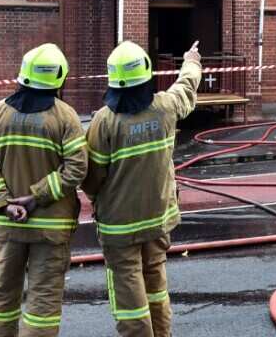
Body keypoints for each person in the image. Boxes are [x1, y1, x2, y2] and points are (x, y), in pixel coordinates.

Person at [83, 40, 200, 337]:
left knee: (129, 299)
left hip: (119, 227)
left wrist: (99, 200)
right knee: (156, 288)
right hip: (158, 221)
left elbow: (92, 176)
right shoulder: (165, 108)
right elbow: (186, 86)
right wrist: (191, 59)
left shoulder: (104, 121)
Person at [0, 43, 86, 337]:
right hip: (52, 228)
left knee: (1, 299)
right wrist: (37, 197)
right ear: (58, 78)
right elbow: (77, 169)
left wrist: (4, 203)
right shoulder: (66, 117)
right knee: (42, 306)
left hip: (9, 225)